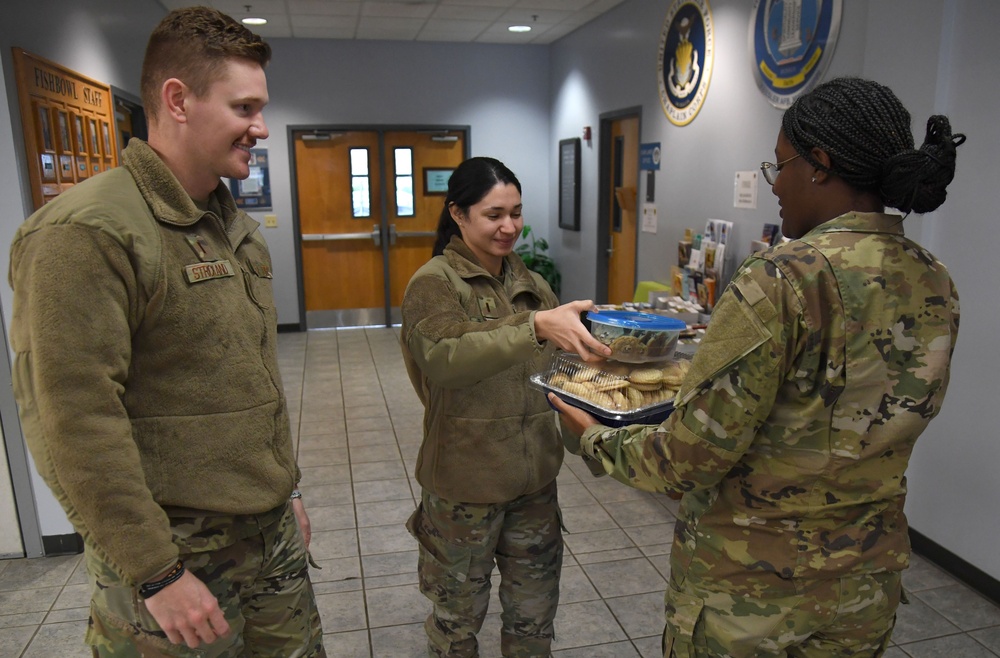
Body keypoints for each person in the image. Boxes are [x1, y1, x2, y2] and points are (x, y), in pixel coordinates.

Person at [551, 76, 964, 657]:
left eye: (780, 165)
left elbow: (688, 461)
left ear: (819, 165)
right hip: (865, 584)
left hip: (753, 591)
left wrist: (594, 438)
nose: (775, 184)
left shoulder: (784, 277)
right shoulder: (932, 276)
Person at [9, 7, 325, 657]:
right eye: (243, 108)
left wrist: (283, 488)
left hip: (268, 539)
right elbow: (72, 421)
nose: (261, 127)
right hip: (176, 558)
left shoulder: (228, 225)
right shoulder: (88, 233)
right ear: (179, 101)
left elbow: (248, 381)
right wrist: (155, 571)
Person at [400, 156, 612, 657]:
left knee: (534, 619)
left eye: (516, 213)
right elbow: (445, 358)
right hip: (464, 490)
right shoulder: (434, 284)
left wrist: (611, 400)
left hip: (534, 487)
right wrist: (533, 327)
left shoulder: (532, 285)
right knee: (457, 624)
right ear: (458, 214)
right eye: (493, 214)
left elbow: (561, 377)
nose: (509, 227)